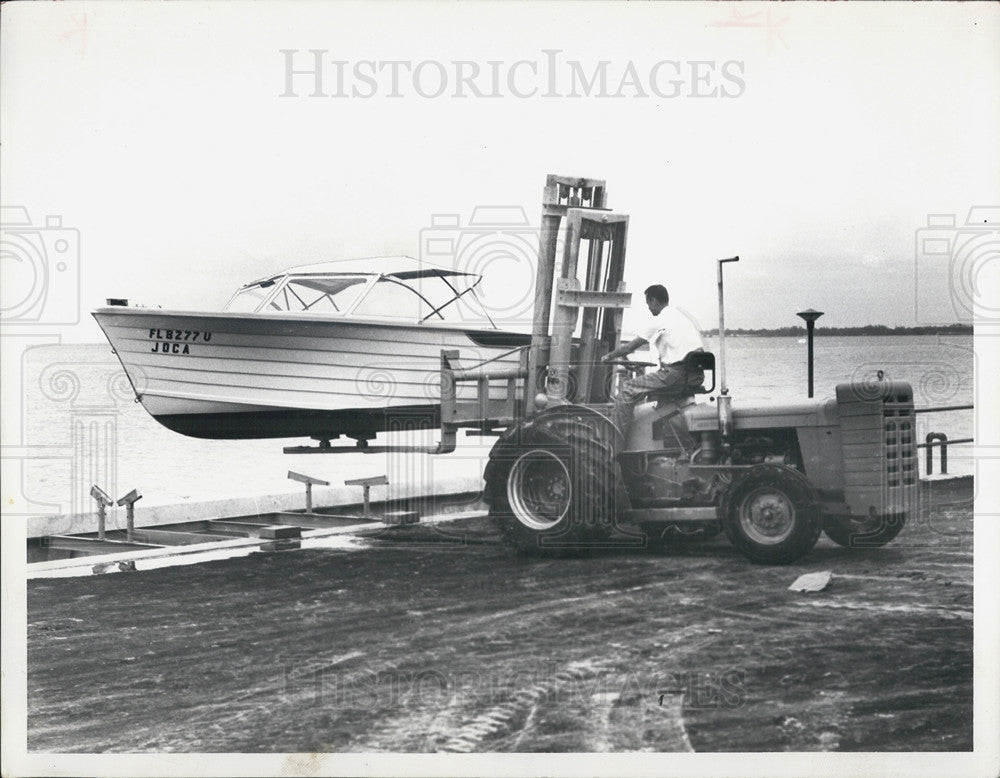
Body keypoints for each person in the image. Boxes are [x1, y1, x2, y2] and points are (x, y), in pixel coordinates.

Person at [601, 284, 704, 432]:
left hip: (676, 375)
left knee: (628, 388)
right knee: (653, 387)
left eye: (648, 303)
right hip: (695, 376)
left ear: (654, 301)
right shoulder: (681, 318)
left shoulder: (660, 319)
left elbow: (630, 347)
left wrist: (608, 356)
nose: (648, 308)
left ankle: (615, 445)